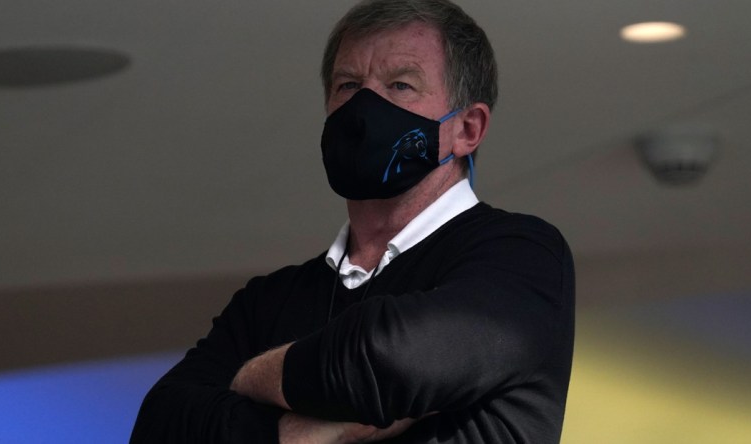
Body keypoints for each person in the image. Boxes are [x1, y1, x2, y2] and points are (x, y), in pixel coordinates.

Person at [130, 0, 575, 443]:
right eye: (347, 85)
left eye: (400, 85)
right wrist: (284, 433)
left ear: (467, 129)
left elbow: (385, 358)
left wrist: (250, 376)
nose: (364, 107)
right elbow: (160, 422)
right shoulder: (266, 302)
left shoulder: (523, 255)